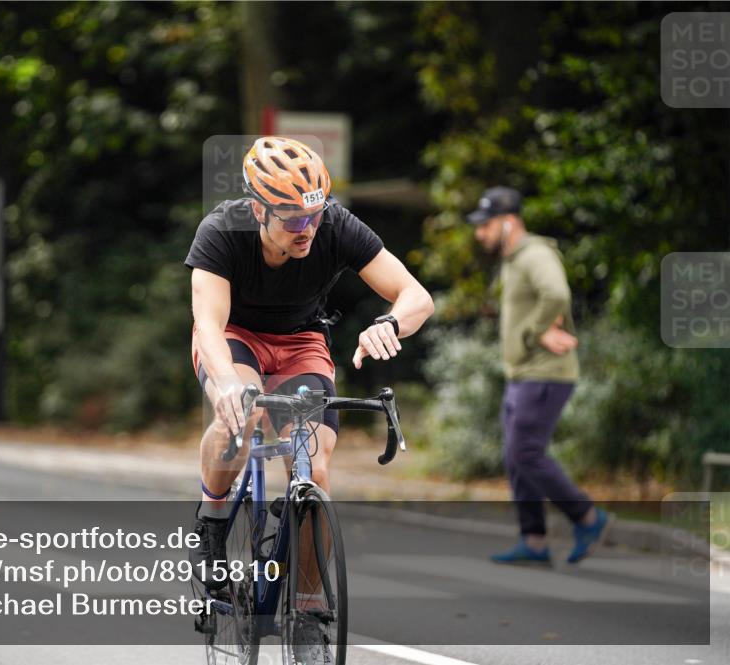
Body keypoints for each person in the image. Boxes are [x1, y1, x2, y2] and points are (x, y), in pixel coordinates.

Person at [185, 136, 433, 656]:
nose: (308, 230)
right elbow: (208, 323)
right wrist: (228, 381)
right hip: (236, 336)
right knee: (242, 415)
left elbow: (416, 296)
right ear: (258, 209)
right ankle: (210, 526)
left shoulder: (333, 224)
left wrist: (388, 323)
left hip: (301, 341)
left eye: (314, 217)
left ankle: (308, 610)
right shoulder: (222, 230)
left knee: (314, 468)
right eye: (293, 220)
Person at [467, 186, 611, 565]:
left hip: (546, 373)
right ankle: (534, 541)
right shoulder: (513, 259)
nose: (480, 233)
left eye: (486, 224)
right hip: (523, 374)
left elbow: (557, 294)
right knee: (515, 458)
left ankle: (587, 516)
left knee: (526, 452)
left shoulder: (535, 254)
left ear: (508, 222)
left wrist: (534, 331)